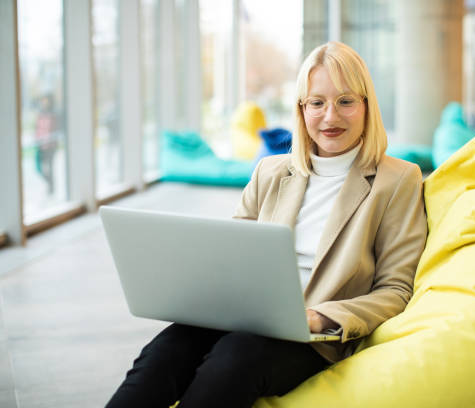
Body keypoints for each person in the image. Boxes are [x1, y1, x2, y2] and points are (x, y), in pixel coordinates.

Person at [106, 41, 427, 408]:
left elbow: (397, 289)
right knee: (163, 353)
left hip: (316, 340)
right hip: (245, 315)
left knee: (233, 359)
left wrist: (321, 318)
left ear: (366, 105)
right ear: (301, 109)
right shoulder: (270, 171)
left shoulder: (398, 179)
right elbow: (230, 254)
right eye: (317, 102)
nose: (329, 117)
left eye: (345, 101)